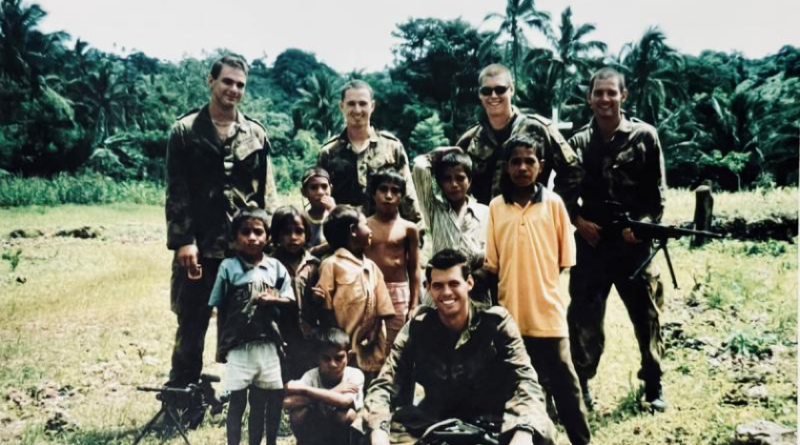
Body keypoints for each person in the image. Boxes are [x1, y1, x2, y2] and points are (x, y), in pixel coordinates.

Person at [361, 248, 557, 445]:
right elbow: (384, 384)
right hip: (436, 422)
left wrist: (523, 432)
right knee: (366, 425)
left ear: (469, 283)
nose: (446, 292)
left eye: (454, 283)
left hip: (491, 421)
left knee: (540, 430)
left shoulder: (496, 323)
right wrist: (379, 432)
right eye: (438, 286)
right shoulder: (418, 327)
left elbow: (526, 381)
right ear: (428, 288)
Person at [165, 54, 277, 389]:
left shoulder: (254, 134)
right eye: (227, 81)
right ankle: (182, 392)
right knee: (191, 322)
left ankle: (240, 392)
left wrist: (267, 243)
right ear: (211, 81)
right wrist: (184, 240)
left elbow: (266, 192)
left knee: (246, 324)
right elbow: (177, 190)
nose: (233, 89)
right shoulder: (185, 131)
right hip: (200, 245)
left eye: (240, 84)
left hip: (244, 249)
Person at [566, 67, 667, 412]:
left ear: (624, 96)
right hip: (592, 247)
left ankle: (653, 384)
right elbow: (563, 196)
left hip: (634, 248)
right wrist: (579, 223)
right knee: (583, 320)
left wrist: (639, 226)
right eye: (599, 93)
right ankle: (581, 387)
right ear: (589, 97)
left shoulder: (645, 136)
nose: (605, 99)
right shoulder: (577, 143)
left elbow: (657, 199)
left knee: (647, 317)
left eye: (612, 93)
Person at [484, 137, 591, 445]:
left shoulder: (555, 204)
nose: (522, 167)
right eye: (515, 161)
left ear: (541, 166)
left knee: (565, 385)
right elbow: (493, 267)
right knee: (516, 387)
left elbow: (563, 261)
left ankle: (581, 440)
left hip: (548, 315)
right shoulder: (496, 207)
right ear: (506, 167)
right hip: (511, 317)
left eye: (529, 161)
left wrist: (539, 290)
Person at [208, 209, 293, 445]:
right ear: (235, 238)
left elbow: (289, 298)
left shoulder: (275, 267)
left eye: (258, 232)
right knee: (237, 401)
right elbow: (221, 309)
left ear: (268, 237)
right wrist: (221, 346)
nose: (252, 238)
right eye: (245, 232)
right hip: (239, 346)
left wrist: (274, 299)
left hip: (267, 344)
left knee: (265, 398)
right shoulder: (228, 267)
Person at [455, 63, 582, 216]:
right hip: (486, 229)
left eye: (500, 89)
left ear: (512, 90)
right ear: (480, 94)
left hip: (531, 226)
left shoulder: (538, 129)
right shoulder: (470, 140)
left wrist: (551, 212)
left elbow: (573, 170)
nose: (493, 96)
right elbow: (452, 179)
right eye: (487, 91)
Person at [317, 79, 422, 223]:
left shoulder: (392, 148)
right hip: (344, 235)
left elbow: (407, 196)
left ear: (372, 106)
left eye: (363, 103)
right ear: (341, 106)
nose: (357, 110)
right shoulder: (328, 153)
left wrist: (416, 233)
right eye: (351, 104)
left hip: (385, 234)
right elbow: (319, 198)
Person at [314, 205, 396, 383]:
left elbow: (383, 308)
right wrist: (337, 343)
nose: (370, 229)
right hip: (342, 350)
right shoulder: (331, 265)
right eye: (365, 224)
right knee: (346, 386)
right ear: (353, 230)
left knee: (370, 382)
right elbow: (325, 310)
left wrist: (374, 335)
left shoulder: (372, 267)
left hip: (371, 345)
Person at [412, 146, 490, 305]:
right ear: (439, 183)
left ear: (470, 180)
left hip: (475, 293)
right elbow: (420, 167)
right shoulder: (434, 211)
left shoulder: (486, 212)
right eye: (447, 179)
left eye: (460, 178)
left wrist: (478, 256)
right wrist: (442, 151)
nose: (453, 184)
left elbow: (491, 253)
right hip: (441, 294)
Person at [270, 205, 331, 380]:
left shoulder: (314, 264)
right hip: (281, 329)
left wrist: (318, 298)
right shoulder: (270, 265)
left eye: (299, 231)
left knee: (308, 371)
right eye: (286, 232)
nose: (293, 238)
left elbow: (321, 300)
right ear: (277, 235)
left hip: (308, 330)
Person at [365, 168, 421, 348]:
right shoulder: (363, 226)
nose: (388, 196)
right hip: (369, 291)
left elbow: (414, 268)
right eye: (383, 189)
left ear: (402, 196)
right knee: (368, 340)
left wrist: (413, 305)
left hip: (398, 293)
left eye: (395, 191)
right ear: (373, 194)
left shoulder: (409, 228)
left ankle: (394, 377)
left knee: (397, 343)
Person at [284, 327, 365, 445]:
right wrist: (336, 390)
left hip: (343, 432)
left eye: (338, 358)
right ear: (317, 358)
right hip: (318, 428)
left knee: (348, 416)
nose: (332, 364)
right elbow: (288, 402)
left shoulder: (354, 374)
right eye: (326, 358)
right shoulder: (311, 376)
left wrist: (305, 390)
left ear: (349, 356)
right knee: (297, 414)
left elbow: (344, 401)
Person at [300, 167, 335, 251]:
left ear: (331, 189)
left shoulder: (337, 213)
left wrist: (334, 211)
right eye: (313, 187)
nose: (320, 192)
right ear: (304, 192)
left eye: (324, 187)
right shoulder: (300, 218)